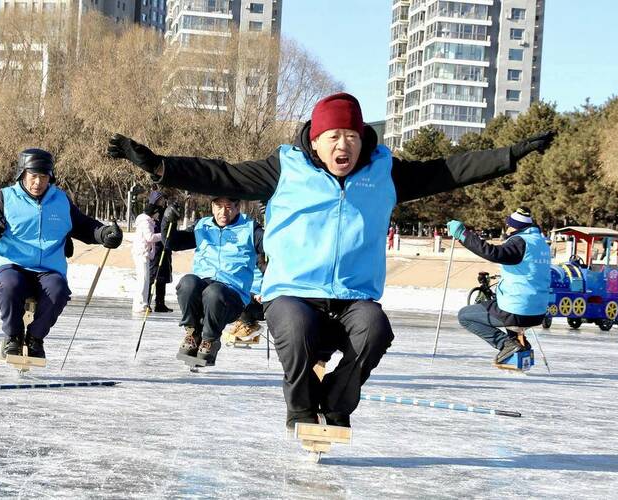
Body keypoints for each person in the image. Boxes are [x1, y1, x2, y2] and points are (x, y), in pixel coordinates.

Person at [108, 92, 555, 430]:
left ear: (362, 139)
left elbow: (452, 169)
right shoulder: (284, 169)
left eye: (351, 137)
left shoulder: (385, 172)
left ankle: (338, 404)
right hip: (293, 294)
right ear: (316, 140)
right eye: (333, 137)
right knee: (296, 331)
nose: (344, 146)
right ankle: (301, 411)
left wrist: (511, 155)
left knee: (376, 330)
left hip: (353, 297)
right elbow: (219, 173)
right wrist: (159, 165)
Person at [0, 148, 123, 359]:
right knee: (10, 285)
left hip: (49, 269)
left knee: (58, 290)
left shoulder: (60, 200)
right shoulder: (3, 198)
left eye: (44, 177)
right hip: (12, 264)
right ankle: (13, 337)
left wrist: (104, 233)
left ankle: (35, 339)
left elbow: (83, 226)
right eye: (33, 176)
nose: (38, 183)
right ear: (22, 174)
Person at [165, 197, 264, 365]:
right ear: (212, 207)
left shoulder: (250, 228)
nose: (223, 212)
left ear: (238, 206)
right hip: (203, 288)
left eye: (228, 207)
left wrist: (274, 220)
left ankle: (210, 339)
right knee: (187, 282)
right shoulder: (202, 226)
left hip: (232, 295)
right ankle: (192, 332)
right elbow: (172, 243)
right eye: (218, 206)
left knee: (214, 292)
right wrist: (168, 222)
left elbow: (272, 247)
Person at [449, 207, 551, 363]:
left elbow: (493, 253)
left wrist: (463, 235)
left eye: (509, 225)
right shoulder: (540, 243)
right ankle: (520, 351)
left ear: (516, 226)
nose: (507, 229)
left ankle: (507, 345)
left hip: (518, 309)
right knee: (502, 310)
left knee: (465, 316)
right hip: (538, 311)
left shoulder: (519, 241)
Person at [131, 203, 162, 314]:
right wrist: (162, 235)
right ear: (153, 213)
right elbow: (150, 237)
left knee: (145, 279)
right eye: (157, 212)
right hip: (141, 253)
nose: (159, 214)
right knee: (143, 280)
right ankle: (140, 305)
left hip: (144, 253)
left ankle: (141, 303)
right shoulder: (145, 222)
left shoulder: (148, 222)